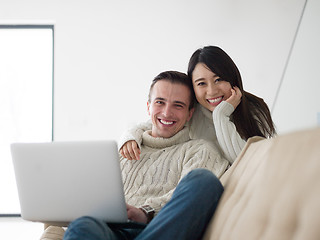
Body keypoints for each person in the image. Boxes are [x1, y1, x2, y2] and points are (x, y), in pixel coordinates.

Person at [63, 71, 227, 240]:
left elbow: (192, 195)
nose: (166, 113)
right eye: (160, 102)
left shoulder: (199, 150)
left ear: (189, 114)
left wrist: (146, 212)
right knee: (82, 225)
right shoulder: (123, 149)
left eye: (178, 105)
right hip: (108, 231)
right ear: (148, 107)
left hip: (157, 228)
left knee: (204, 180)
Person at [119, 45, 276, 164]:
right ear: (193, 88)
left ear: (232, 78)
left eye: (218, 80)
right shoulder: (191, 111)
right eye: (201, 83)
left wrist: (221, 115)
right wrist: (129, 138)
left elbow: (243, 164)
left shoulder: (254, 110)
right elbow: (151, 124)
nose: (212, 91)